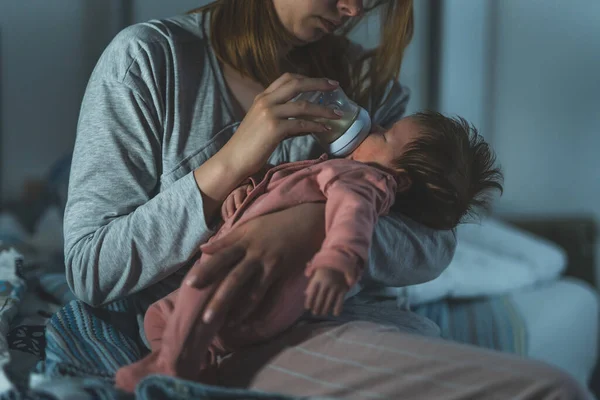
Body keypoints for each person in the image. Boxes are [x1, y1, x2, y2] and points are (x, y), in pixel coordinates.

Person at [64, 0, 591, 398]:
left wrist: (312, 222)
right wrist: (228, 166)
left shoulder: (366, 86)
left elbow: (435, 243)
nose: (354, 9)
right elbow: (90, 269)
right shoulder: (150, 62)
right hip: (233, 336)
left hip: (356, 317)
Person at [114, 110, 504, 392]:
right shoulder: (346, 169)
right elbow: (280, 189)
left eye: (383, 134)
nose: (371, 128)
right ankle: (193, 366)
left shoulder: (367, 180)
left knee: (199, 290)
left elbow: (352, 217)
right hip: (240, 276)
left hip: (260, 287)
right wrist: (243, 193)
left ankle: (173, 371)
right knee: (160, 317)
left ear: (398, 180)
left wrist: (339, 260)